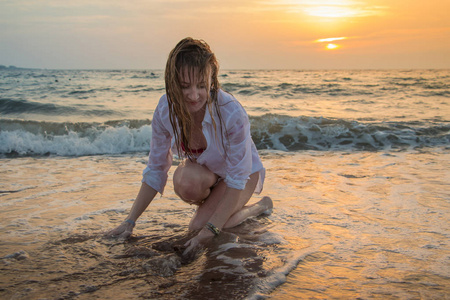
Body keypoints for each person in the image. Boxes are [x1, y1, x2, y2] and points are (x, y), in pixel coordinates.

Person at [107, 37, 273, 254]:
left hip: (241, 177)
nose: (194, 96)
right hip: (208, 175)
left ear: (211, 80)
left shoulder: (231, 112)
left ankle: (258, 207)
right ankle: (213, 208)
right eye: (185, 86)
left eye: (201, 86)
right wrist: (129, 221)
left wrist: (211, 228)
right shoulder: (165, 110)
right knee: (186, 182)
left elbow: (237, 178)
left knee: (199, 228)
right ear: (173, 82)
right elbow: (156, 169)